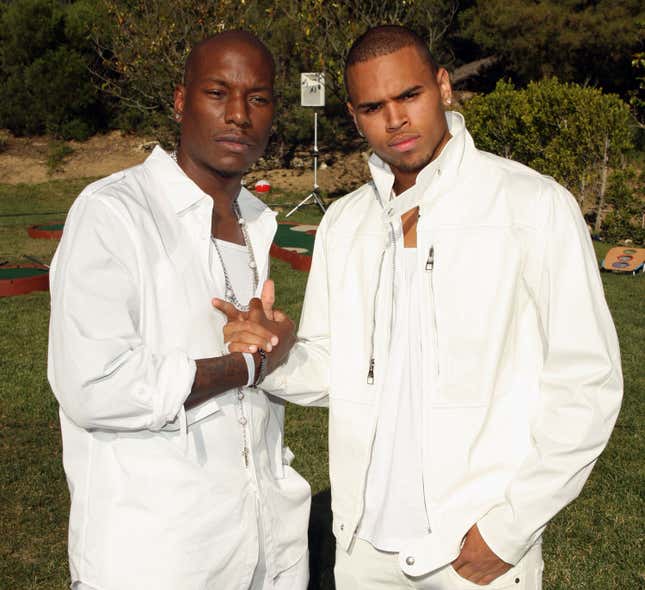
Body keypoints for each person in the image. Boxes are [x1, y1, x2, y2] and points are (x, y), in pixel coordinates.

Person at [220, 25, 623, 589]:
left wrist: (508, 532)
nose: (396, 119)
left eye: (409, 95)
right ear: (354, 116)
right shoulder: (345, 223)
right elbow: (337, 371)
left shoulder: (533, 206)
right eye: (374, 106)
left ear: (443, 87)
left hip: (475, 553)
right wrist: (273, 353)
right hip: (363, 552)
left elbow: (588, 382)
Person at [48, 31, 309, 590]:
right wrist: (243, 367)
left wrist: (276, 345)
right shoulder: (114, 214)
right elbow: (95, 385)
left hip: (265, 553)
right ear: (180, 99)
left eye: (258, 98)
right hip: (156, 560)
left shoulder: (256, 220)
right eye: (218, 92)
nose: (239, 115)